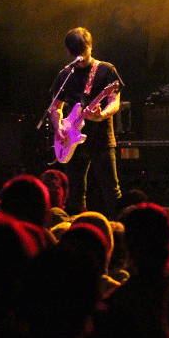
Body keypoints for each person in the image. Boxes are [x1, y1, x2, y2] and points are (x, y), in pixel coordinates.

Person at [49, 27, 123, 218]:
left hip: (101, 140)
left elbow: (114, 102)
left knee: (111, 192)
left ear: (91, 46)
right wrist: (58, 128)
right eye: (76, 54)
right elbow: (56, 107)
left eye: (83, 52)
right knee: (75, 194)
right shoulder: (65, 75)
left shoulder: (106, 70)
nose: (80, 58)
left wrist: (101, 115)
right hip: (72, 140)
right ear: (68, 52)